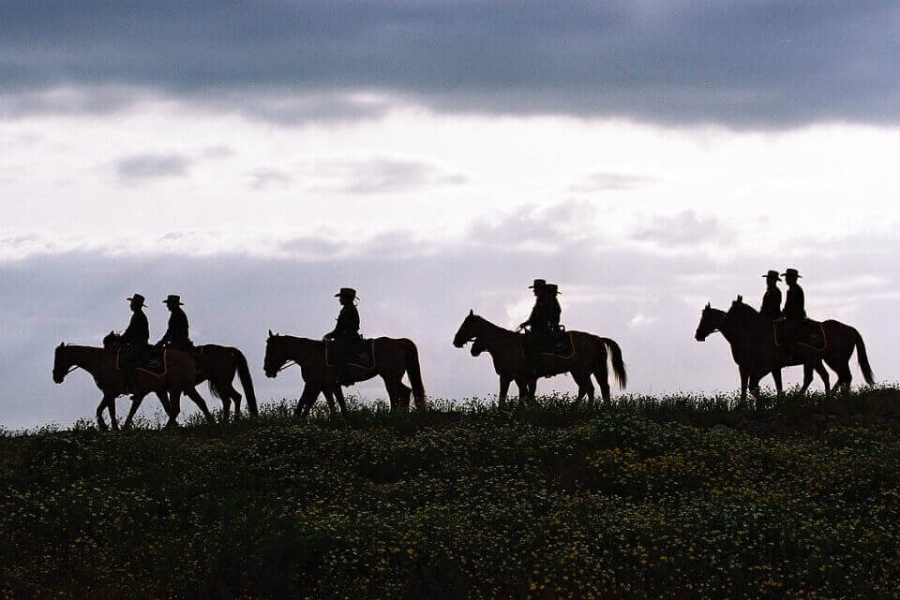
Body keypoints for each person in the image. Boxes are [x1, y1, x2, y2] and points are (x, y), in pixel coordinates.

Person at [324, 287, 361, 385]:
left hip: (349, 337)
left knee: (338, 351)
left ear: (346, 299)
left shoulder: (349, 310)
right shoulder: (347, 309)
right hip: (346, 336)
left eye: (341, 298)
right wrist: (331, 335)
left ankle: (343, 377)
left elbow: (343, 328)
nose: (340, 300)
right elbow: (339, 328)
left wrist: (332, 335)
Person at [518, 279, 552, 375]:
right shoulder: (540, 300)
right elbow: (534, 316)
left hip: (542, 329)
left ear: (540, 289)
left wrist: (531, 323)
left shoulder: (545, 300)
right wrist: (526, 323)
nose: (534, 291)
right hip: (538, 328)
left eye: (535, 289)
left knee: (531, 343)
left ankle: (537, 365)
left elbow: (542, 316)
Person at [120, 293, 150, 396]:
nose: (130, 305)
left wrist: (121, 339)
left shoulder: (138, 316)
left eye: (132, 303)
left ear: (135, 305)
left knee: (126, 361)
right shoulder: (138, 315)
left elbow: (130, 332)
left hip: (138, 345)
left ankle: (132, 385)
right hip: (138, 343)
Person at [780, 268, 806, 360]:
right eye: (786, 277)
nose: (786, 279)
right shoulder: (791, 290)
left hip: (796, 317)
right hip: (791, 316)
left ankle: (792, 353)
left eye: (788, 277)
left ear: (793, 278)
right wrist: (783, 313)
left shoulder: (796, 290)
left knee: (788, 330)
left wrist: (786, 314)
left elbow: (797, 307)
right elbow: (787, 306)